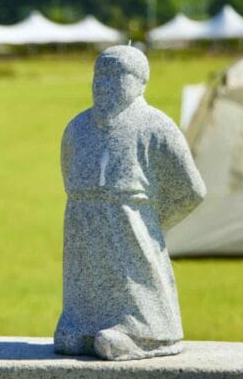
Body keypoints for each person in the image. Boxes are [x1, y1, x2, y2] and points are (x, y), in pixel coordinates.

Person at [54, 46, 206, 361]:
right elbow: (69, 174)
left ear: (140, 83)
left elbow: (192, 190)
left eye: (115, 75)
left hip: (130, 226)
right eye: (99, 75)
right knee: (74, 320)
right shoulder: (77, 128)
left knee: (133, 283)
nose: (103, 83)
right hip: (83, 224)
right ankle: (83, 324)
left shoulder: (156, 126)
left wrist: (150, 222)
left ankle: (145, 333)